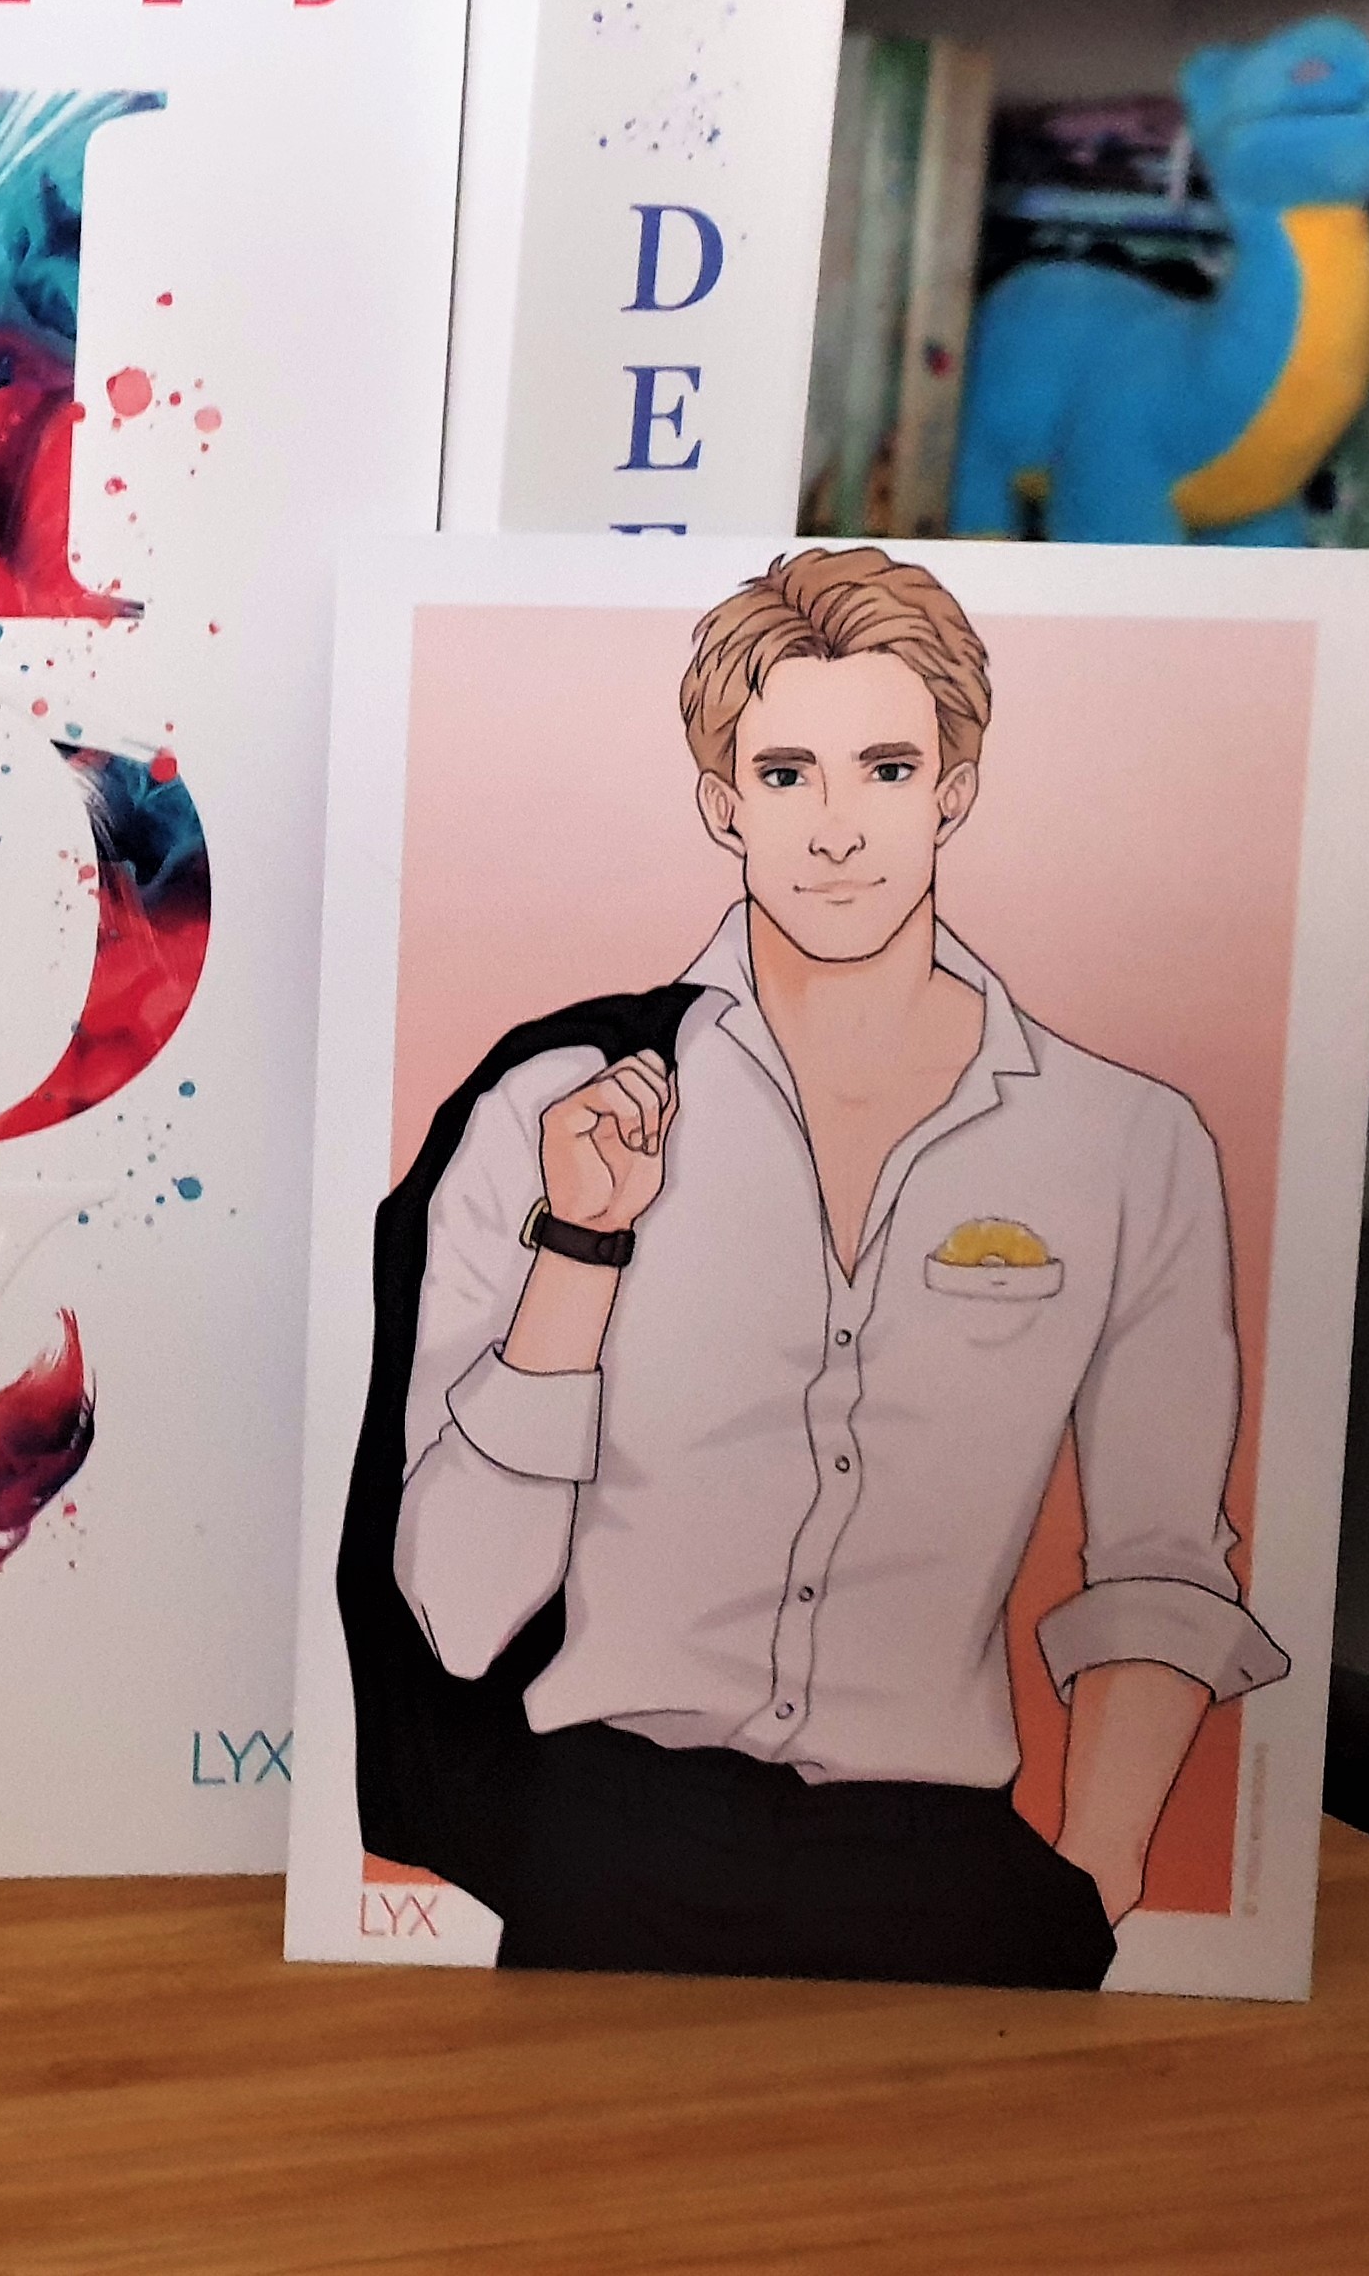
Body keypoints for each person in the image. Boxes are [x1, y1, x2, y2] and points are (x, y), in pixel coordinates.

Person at [383, 547, 1284, 1987]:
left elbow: (1161, 1553)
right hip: (610, 1833)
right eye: (787, 773)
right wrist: (583, 1247)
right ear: (722, 804)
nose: (839, 829)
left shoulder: (1129, 1141)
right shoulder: (553, 1107)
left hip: (950, 1857)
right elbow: (457, 1609)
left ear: (955, 789)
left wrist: (1099, 1871)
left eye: (887, 767)